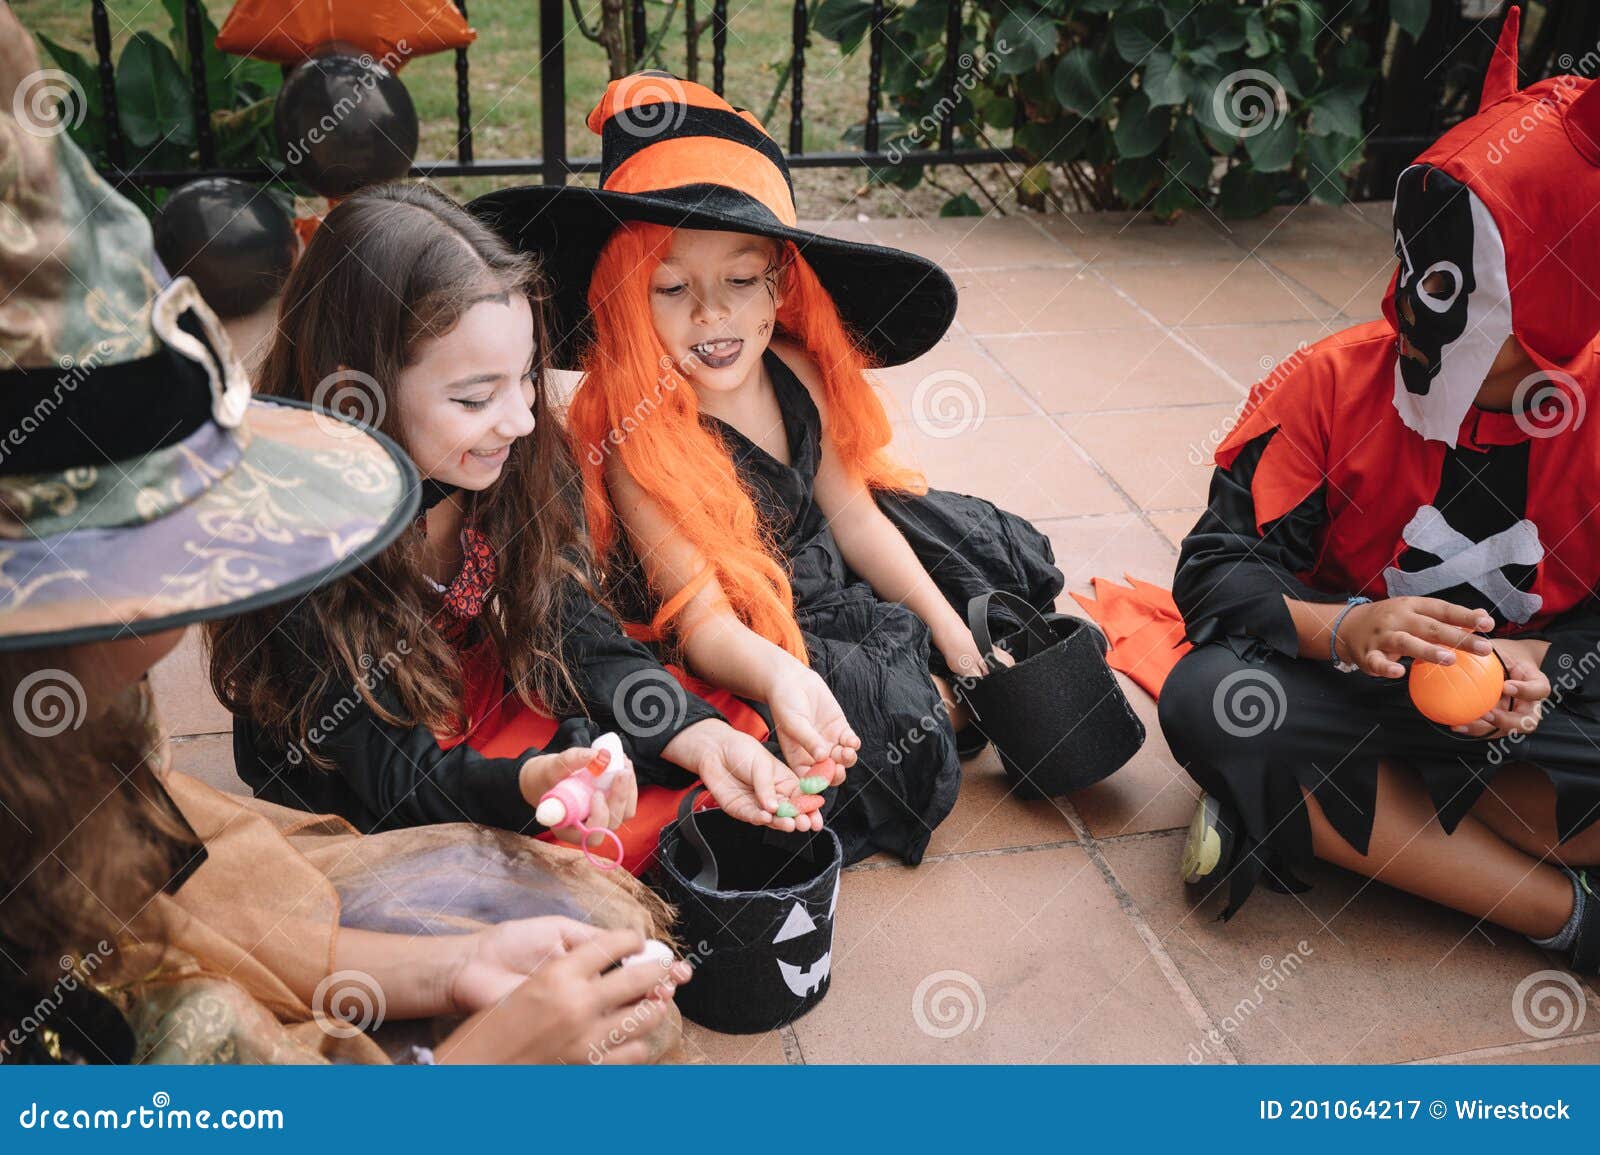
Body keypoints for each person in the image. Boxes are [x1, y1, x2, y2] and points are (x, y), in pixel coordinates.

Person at [0, 9, 686, 1064]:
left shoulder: (67, 728)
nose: (207, 582)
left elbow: (163, 896)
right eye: (169, 542)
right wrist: (477, 1068)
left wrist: (453, 970)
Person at [473, 75, 1064, 865]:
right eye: (672, 288)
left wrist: (958, 643)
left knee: (983, 562)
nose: (711, 313)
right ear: (625, 302)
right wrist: (784, 675)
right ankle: (908, 705)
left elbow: (854, 517)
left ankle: (951, 669)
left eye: (739, 281)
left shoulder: (795, 369)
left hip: (817, 559)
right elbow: (705, 621)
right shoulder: (636, 435)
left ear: (777, 288)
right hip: (742, 618)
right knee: (880, 723)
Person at [208, 182, 828, 873]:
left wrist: (700, 736)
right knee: (560, 851)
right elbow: (392, 779)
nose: (522, 419)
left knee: (728, 737)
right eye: (476, 396)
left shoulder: (516, 459)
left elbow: (572, 628)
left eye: (526, 379)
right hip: (361, 765)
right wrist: (529, 783)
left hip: (468, 688)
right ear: (358, 390)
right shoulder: (295, 539)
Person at [1161, 6, 1600, 970]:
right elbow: (1214, 573)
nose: (1408, 322)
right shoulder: (1326, 383)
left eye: (1459, 299)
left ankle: (1301, 809)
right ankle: (1564, 914)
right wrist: (1345, 631)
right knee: (1214, 697)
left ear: (1561, 307)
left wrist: (1549, 662)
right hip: (1351, 695)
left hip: (1544, 720)